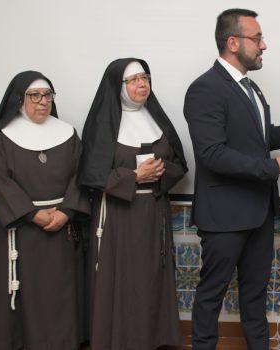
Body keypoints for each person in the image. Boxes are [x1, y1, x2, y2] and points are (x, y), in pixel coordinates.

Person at [183, 9, 280, 350]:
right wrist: (273, 169)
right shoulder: (204, 89)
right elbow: (212, 154)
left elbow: (263, 139)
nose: (264, 46)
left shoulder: (250, 88)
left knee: (256, 293)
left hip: (260, 211)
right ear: (232, 42)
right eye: (257, 39)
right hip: (224, 215)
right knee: (211, 293)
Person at [78, 58, 188, 350]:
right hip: (117, 215)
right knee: (122, 280)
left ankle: (152, 338)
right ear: (118, 86)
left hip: (154, 211)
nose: (142, 85)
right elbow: (91, 174)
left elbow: (179, 163)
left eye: (145, 78)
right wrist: (135, 176)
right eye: (134, 79)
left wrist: (160, 173)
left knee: (151, 277)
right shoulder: (104, 124)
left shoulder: (156, 119)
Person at [0, 71, 90, 349]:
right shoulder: (3, 139)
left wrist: (67, 211)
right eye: (35, 96)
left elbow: (81, 176)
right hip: (23, 232)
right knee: (26, 294)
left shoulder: (67, 134)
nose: (43, 102)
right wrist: (32, 214)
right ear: (20, 99)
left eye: (48, 96)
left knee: (60, 293)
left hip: (62, 228)